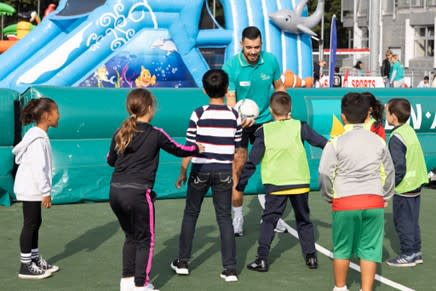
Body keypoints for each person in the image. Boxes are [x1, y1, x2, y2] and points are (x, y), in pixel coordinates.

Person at [107, 89, 202, 291]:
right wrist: (197, 148)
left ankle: (127, 282)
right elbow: (179, 149)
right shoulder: (155, 133)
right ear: (150, 108)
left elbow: (110, 161)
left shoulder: (119, 132)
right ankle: (141, 285)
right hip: (139, 194)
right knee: (145, 240)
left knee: (131, 236)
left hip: (115, 192)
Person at [235, 91, 327, 271]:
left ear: (270, 110)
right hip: (300, 182)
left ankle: (262, 259)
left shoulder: (264, 131)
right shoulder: (300, 126)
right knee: (304, 220)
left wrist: (241, 183)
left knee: (269, 220)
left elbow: (253, 160)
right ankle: (311, 258)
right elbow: (322, 142)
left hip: (276, 184)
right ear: (290, 109)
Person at [319, 92, 395, 291]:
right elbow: (389, 171)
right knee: (370, 250)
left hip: (345, 201)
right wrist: (385, 195)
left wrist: (329, 195)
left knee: (342, 248)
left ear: (343, 116)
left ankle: (341, 287)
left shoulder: (336, 142)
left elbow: (324, 173)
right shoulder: (378, 141)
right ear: (367, 114)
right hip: (373, 200)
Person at [171, 69, 241, 282]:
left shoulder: (198, 113)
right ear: (226, 89)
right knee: (224, 218)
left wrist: (183, 171)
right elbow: (237, 150)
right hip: (223, 171)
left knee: (191, 213)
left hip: (200, 170)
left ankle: (183, 262)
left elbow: (189, 147)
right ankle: (229, 269)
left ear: (204, 89)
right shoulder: (234, 114)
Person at [222, 26, 285, 236]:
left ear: (261, 45)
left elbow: (280, 88)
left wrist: (283, 113)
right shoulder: (231, 65)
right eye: (249, 47)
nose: (253, 51)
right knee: (238, 169)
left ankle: (273, 216)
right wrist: (238, 118)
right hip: (240, 124)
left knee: (273, 169)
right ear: (241, 44)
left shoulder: (271, 61)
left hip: (266, 121)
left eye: (257, 47)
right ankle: (238, 218)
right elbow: (230, 98)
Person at [13, 97, 60, 279]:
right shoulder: (37, 140)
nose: (59, 116)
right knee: (30, 224)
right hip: (31, 188)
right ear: (47, 116)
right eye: (56, 112)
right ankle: (25, 266)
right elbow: (39, 168)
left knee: (35, 223)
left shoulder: (38, 136)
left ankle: (33, 259)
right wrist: (45, 192)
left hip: (32, 188)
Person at [385, 98, 428, 267]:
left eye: (387, 112)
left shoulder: (396, 136)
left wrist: (390, 186)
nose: (385, 115)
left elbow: (399, 166)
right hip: (416, 182)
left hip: (405, 186)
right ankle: (416, 252)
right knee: (412, 220)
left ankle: (408, 253)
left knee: (403, 221)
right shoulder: (409, 130)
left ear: (394, 116)